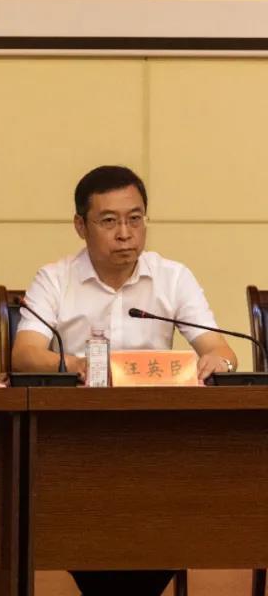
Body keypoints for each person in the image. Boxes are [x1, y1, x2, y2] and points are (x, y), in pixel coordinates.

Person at [12, 164, 235, 596]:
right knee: (81, 516)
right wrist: (77, 365)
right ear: (81, 226)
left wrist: (217, 363)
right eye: (109, 221)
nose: (125, 234)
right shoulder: (54, 278)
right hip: (76, 441)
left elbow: (221, 350)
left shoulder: (172, 276)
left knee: (177, 508)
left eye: (135, 219)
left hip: (155, 440)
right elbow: (24, 354)